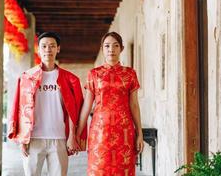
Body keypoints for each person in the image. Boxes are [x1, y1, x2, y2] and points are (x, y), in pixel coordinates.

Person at [8, 32, 87, 176]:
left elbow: (74, 111)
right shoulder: (27, 77)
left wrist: (72, 137)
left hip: (59, 138)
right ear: (38, 49)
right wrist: (22, 138)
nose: (48, 50)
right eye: (44, 46)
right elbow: (19, 108)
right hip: (33, 138)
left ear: (58, 49)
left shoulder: (70, 79)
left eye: (52, 46)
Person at [76, 32, 144, 176]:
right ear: (102, 48)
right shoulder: (94, 74)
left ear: (122, 49)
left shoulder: (130, 74)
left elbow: (134, 105)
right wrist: (78, 133)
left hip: (124, 130)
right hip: (99, 131)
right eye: (107, 46)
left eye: (115, 46)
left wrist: (139, 133)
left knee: (123, 169)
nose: (111, 49)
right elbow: (87, 106)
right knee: (99, 169)